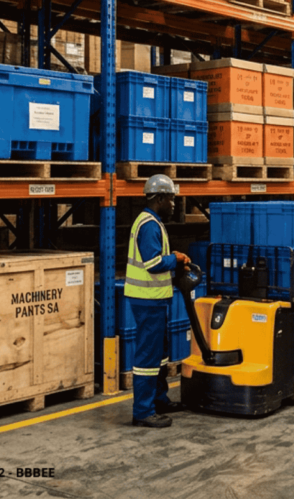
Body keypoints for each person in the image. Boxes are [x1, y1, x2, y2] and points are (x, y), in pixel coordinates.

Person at [126, 174, 190, 428]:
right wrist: (176, 259)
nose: (174, 204)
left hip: (155, 299)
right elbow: (153, 264)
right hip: (147, 300)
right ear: (160, 198)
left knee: (161, 354)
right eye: (172, 199)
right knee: (148, 357)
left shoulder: (153, 221)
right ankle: (143, 411)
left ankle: (159, 400)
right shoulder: (149, 225)